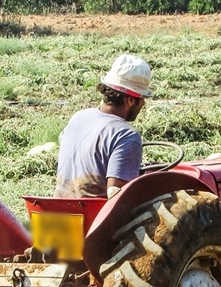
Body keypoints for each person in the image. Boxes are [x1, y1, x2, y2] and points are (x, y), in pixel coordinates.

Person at [54, 54, 152, 199]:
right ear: (131, 100)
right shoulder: (126, 135)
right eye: (142, 97)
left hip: (57, 209)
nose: (143, 103)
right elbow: (116, 196)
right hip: (93, 215)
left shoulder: (78, 117)